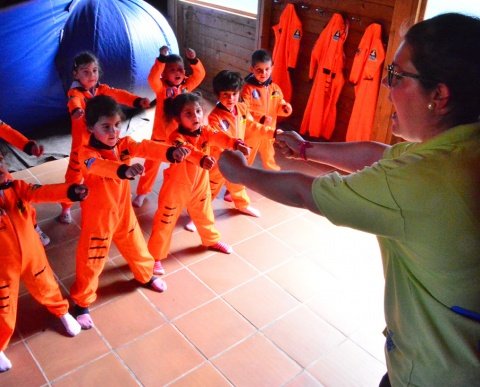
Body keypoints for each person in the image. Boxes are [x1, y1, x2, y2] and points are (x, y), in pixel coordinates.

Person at [218, 13, 480, 386]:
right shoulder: (460, 146)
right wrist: (308, 149)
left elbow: (303, 192)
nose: (388, 86)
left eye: (397, 76)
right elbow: (380, 154)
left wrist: (241, 173)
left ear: (439, 94)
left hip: (436, 372)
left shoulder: (419, 180)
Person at [69, 95, 190, 329]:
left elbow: (146, 147)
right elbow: (102, 167)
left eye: (116, 125)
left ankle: (145, 275)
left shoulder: (123, 144)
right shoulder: (86, 153)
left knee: (136, 246)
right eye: (106, 127)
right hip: (99, 218)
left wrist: (170, 153)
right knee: (92, 258)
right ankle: (81, 300)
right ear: (90, 128)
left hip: (123, 211)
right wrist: (124, 170)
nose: (113, 131)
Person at [0, 151, 88, 372]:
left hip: (32, 253)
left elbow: (41, 192)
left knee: (46, 284)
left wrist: (69, 192)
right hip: (2, 264)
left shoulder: (16, 186)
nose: (1, 171)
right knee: (3, 303)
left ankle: (61, 311)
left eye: (0, 162)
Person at [147, 92, 251, 274]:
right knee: (165, 221)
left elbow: (220, 137)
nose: (195, 116)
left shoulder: (205, 131)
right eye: (188, 114)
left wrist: (236, 143)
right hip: (176, 188)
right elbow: (186, 150)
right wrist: (201, 158)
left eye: (197, 111)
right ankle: (155, 256)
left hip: (200, 185)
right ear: (178, 118)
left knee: (204, 215)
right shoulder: (175, 137)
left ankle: (210, 240)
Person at [58, 51, 151, 224]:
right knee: (74, 178)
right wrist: (76, 111)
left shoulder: (102, 89)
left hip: (102, 145)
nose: (91, 75)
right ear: (75, 74)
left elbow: (120, 94)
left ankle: (115, 195)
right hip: (82, 147)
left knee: (109, 168)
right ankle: (66, 208)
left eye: (94, 70)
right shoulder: (75, 93)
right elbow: (74, 101)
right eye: (86, 71)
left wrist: (138, 101)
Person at [132, 46, 206, 208]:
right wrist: (161, 59)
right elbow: (152, 78)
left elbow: (200, 75)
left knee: (181, 167)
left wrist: (193, 60)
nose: (177, 72)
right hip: (160, 136)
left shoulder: (186, 88)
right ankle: (142, 192)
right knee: (151, 166)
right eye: (171, 70)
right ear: (164, 74)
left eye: (180, 69)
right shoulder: (161, 89)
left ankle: (184, 195)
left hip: (180, 137)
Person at [207, 70, 274, 219]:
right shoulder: (214, 117)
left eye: (234, 94)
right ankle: (199, 214)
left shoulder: (242, 109)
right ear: (218, 95)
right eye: (225, 94)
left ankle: (242, 205)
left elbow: (251, 125)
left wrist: (272, 132)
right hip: (219, 160)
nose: (230, 98)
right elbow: (217, 139)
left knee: (238, 183)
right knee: (210, 188)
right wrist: (233, 148)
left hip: (236, 158)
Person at [0, 119, 51, 246]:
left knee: (21, 202)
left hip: (2, 174)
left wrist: (28, 145)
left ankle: (33, 227)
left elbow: (6, 131)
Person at [241, 49, 292, 171]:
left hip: (269, 131)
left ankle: (273, 174)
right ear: (252, 69)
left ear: (272, 68)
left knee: (269, 155)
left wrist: (285, 109)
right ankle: (239, 179)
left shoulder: (275, 88)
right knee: (246, 155)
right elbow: (244, 110)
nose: (263, 73)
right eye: (259, 70)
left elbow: (280, 105)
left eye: (267, 69)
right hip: (253, 131)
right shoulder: (248, 89)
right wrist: (260, 118)